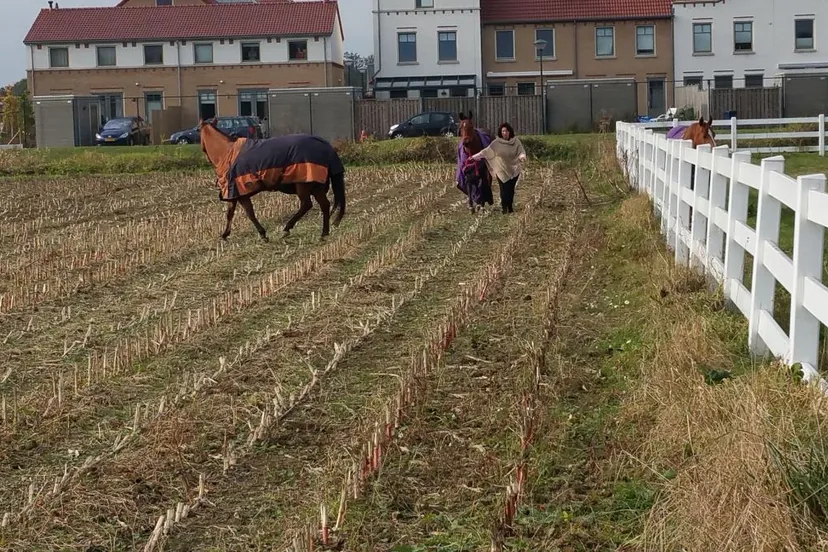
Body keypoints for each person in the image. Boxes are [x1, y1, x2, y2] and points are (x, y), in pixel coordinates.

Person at [470, 122, 527, 214]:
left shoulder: (516, 142)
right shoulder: (496, 143)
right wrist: (473, 157)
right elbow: (485, 152)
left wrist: (522, 156)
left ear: (510, 132)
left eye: (506, 131)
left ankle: (510, 206)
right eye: (503, 131)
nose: (505, 133)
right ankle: (504, 208)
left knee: (511, 189)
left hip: (514, 169)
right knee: (503, 189)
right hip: (501, 170)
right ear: (501, 132)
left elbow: (521, 151)